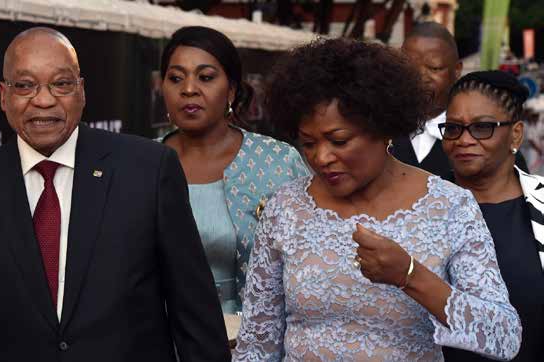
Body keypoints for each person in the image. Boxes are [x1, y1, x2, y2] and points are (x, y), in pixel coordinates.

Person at [0, 27, 230, 361]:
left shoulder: (148, 171)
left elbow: (196, 318)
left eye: (61, 83)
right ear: (3, 95)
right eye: (25, 85)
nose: (43, 99)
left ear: (81, 91)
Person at [233, 38, 521, 361]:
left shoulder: (450, 207)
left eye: (339, 140)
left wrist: (410, 275)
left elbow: (503, 337)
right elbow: (256, 346)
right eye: (308, 143)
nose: (322, 157)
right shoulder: (285, 209)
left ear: (384, 126)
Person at [157, 26, 309, 312]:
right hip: (157, 334)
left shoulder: (277, 161)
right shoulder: (139, 162)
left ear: (232, 90)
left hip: (254, 335)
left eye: (205, 77)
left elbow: (311, 257)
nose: (188, 89)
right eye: (175, 78)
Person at [440, 71, 544, 361]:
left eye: (482, 127)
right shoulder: (420, 206)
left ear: (516, 134)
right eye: (453, 128)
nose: (464, 140)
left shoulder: (540, 204)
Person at [395, 22, 529, 178]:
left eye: (434, 68)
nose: (421, 78)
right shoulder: (378, 133)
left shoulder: (490, 143)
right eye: (410, 68)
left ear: (457, 70)